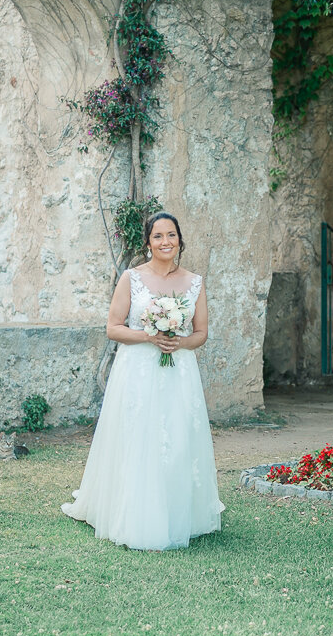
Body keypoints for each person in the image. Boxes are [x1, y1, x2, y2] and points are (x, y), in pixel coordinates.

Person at [61, 211, 225, 550]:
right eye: (158, 236)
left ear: (180, 240)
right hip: (137, 371)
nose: (165, 242)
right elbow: (113, 328)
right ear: (148, 243)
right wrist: (150, 336)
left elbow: (201, 333)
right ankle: (134, 512)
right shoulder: (131, 278)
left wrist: (179, 343)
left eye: (171, 235)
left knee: (177, 439)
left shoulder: (194, 282)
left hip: (179, 372)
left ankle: (178, 512)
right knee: (139, 437)